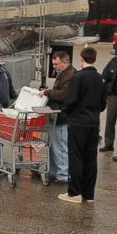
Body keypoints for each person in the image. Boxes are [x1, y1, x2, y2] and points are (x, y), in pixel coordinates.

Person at [59, 47, 106, 204]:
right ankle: (89, 194)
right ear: (94, 58)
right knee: (91, 159)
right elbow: (103, 104)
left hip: (78, 122)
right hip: (93, 123)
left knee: (76, 157)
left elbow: (70, 100)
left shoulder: (78, 77)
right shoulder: (100, 78)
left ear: (81, 58)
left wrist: (66, 112)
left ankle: (74, 193)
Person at [42, 51, 75, 183]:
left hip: (62, 116)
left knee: (60, 146)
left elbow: (64, 95)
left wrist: (47, 92)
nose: (54, 67)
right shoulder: (64, 73)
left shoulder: (71, 75)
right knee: (53, 145)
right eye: (53, 64)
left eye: (56, 64)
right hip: (57, 115)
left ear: (65, 62)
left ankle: (63, 174)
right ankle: (54, 171)